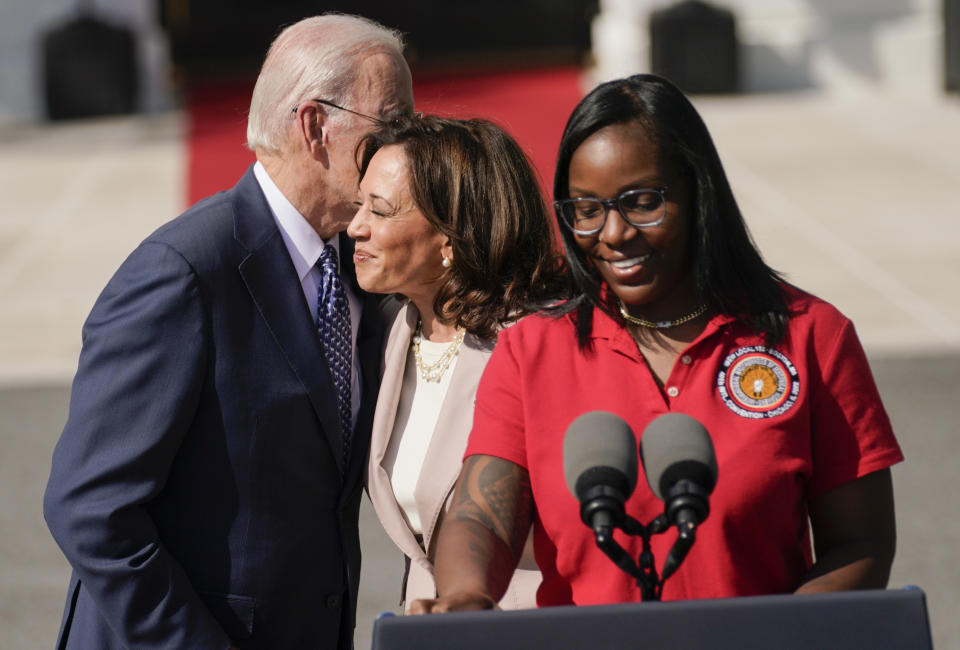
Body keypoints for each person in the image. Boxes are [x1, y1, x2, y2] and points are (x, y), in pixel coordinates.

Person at [410, 74, 904, 613]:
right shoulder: (531, 350)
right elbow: (482, 515)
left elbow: (862, 543)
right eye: (586, 208)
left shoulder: (812, 335)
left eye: (642, 202)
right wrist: (465, 595)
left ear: (699, 191)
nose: (614, 233)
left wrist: (778, 634)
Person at [42, 14, 413, 649]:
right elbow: (91, 509)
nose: (411, 146)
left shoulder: (358, 269)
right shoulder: (184, 273)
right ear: (315, 127)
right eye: (395, 124)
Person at [348, 115, 567, 611]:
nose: (354, 227)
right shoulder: (392, 329)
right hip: (432, 627)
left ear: (450, 237)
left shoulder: (540, 345)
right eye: (357, 206)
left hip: (533, 626)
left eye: (378, 211)